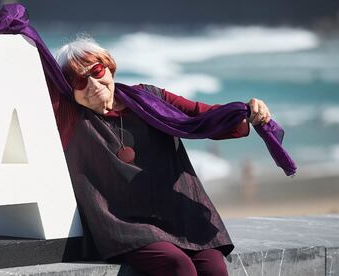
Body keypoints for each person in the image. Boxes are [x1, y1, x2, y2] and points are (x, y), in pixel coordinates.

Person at [50, 37, 271, 276]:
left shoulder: (150, 99)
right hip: (124, 224)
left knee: (213, 267)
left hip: (179, 215)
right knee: (177, 266)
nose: (93, 84)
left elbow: (202, 118)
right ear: (68, 89)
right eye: (80, 81)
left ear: (109, 67)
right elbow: (42, 80)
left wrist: (247, 112)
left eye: (96, 70)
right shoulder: (71, 119)